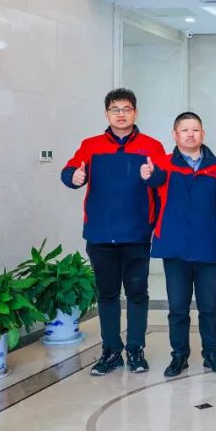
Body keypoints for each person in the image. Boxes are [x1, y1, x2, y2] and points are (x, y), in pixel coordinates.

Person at [61, 88, 165, 376]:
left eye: (127, 109)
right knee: (107, 295)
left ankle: (135, 350)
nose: (121, 114)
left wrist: (153, 176)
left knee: (137, 294)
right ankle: (111, 352)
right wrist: (73, 176)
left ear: (136, 113)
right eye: (115, 109)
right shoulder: (91, 145)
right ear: (106, 113)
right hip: (100, 234)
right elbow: (70, 172)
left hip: (137, 233)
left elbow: (162, 180)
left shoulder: (151, 146)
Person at [143, 112, 216, 377]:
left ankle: (212, 354)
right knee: (178, 308)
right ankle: (179, 355)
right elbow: (151, 194)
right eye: (184, 130)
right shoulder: (162, 165)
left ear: (203, 134)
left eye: (195, 129)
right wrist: (148, 176)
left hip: (208, 244)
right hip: (174, 245)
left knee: (209, 307)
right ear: (175, 134)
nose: (190, 134)